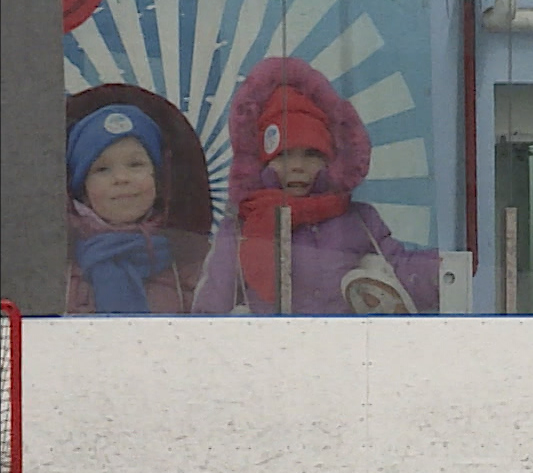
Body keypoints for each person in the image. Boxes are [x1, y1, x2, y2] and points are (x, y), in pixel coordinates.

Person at [194, 56, 439, 315]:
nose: (297, 166)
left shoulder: (357, 220)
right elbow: (213, 304)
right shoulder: (243, 225)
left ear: (330, 160)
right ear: (263, 161)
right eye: (284, 155)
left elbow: (398, 270)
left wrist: (442, 272)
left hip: (342, 349)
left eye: (311, 154)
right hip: (272, 351)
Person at [63, 102, 209, 314]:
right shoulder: (60, 267)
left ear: (157, 179)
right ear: (82, 189)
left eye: (135, 165)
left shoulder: (193, 263)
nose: (121, 178)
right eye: (102, 169)